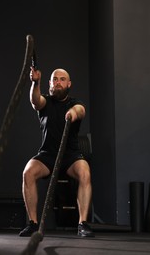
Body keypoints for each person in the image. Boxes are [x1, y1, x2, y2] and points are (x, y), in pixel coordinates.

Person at [18, 67, 94, 238]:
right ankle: (33, 224)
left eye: (61, 79)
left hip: (70, 155)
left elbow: (80, 111)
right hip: (48, 155)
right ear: (50, 83)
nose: (58, 82)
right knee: (28, 173)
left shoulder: (75, 103)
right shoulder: (45, 102)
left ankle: (83, 224)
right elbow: (35, 101)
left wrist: (71, 114)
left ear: (69, 84)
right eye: (54, 79)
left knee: (85, 172)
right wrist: (35, 82)